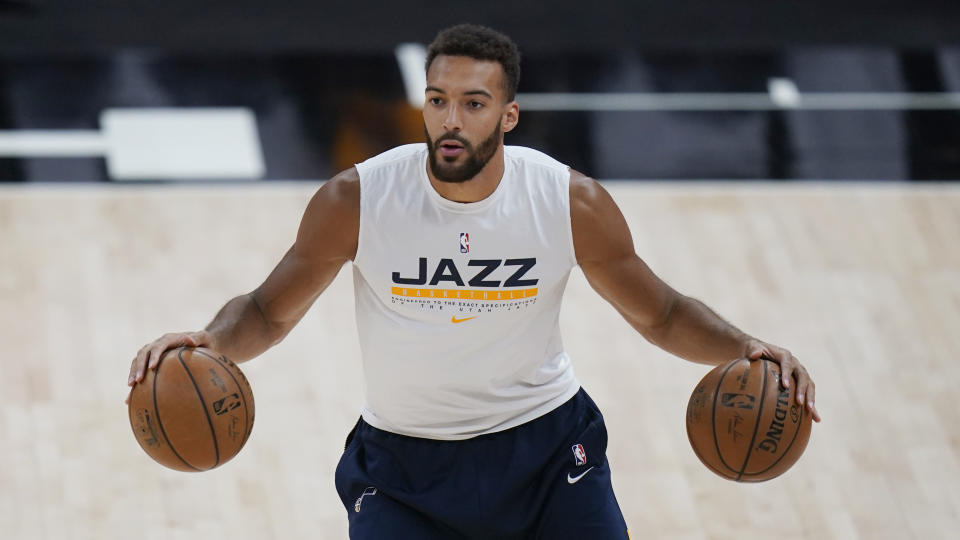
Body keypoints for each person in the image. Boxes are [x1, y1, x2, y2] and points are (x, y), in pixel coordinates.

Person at [127, 24, 820, 539]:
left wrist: (746, 348)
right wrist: (211, 341)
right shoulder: (358, 200)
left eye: (473, 103)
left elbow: (662, 314)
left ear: (509, 116)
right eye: (437, 100)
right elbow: (268, 312)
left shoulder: (566, 202)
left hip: (546, 450)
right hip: (402, 470)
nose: (450, 121)